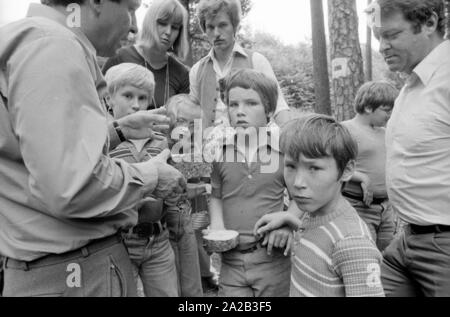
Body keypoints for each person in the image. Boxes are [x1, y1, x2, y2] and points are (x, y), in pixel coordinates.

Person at [0, 0, 185, 297]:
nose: (135, 25)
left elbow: (41, 149)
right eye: (130, 8)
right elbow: (72, 185)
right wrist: (150, 176)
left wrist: (118, 131)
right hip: (75, 274)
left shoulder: (33, 40)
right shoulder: (53, 46)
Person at [369, 0, 450, 297]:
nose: (382, 47)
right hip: (406, 239)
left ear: (429, 22)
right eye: (378, 37)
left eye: (391, 35)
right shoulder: (413, 84)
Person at [254, 114, 384, 297]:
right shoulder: (314, 214)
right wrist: (291, 220)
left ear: (346, 170)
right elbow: (323, 245)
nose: (298, 182)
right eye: (291, 166)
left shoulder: (353, 243)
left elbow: (337, 247)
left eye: (313, 168)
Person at [207, 69, 292, 297]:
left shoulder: (282, 153)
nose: (240, 112)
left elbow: (299, 198)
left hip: (272, 258)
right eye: (233, 105)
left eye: (251, 103)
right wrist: (217, 226)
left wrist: (288, 223)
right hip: (231, 261)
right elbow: (216, 195)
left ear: (270, 111)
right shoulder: (221, 153)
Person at [106, 63, 179, 297]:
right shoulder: (103, 142)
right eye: (127, 96)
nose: (136, 105)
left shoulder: (161, 140)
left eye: (143, 98)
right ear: (109, 99)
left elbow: (170, 185)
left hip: (158, 240)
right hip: (120, 241)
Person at [190, 0, 291, 130]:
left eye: (223, 25)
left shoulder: (256, 60)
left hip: (253, 144)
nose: (216, 33)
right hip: (208, 147)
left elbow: (279, 107)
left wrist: (289, 142)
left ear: (234, 26)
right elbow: (192, 114)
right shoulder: (196, 70)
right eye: (210, 27)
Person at [341, 81, 399, 251]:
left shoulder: (385, 133)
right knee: (364, 254)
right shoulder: (346, 130)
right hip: (358, 206)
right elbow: (333, 167)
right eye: (387, 110)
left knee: (386, 256)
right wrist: (361, 177)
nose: (390, 115)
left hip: (385, 208)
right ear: (368, 107)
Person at [165, 94, 213, 297]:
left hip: (198, 208)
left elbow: (208, 176)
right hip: (174, 214)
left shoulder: (199, 146)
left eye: (195, 123)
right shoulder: (164, 148)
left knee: (199, 239)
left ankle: (205, 275)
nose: (190, 128)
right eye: (183, 121)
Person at [103, 0, 190, 109]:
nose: (168, 32)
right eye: (162, 23)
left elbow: (188, 118)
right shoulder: (119, 58)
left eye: (175, 27)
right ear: (150, 23)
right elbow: (98, 105)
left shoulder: (182, 73)